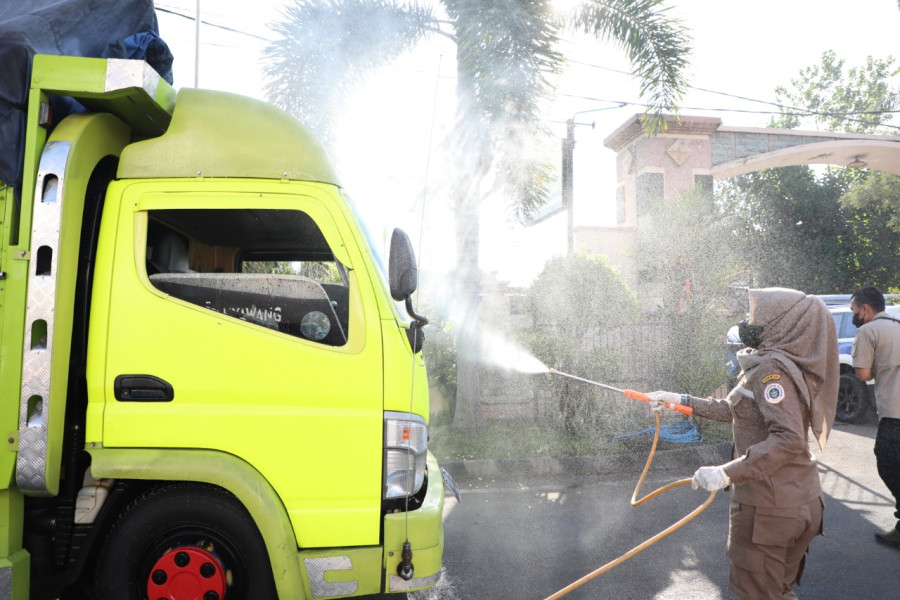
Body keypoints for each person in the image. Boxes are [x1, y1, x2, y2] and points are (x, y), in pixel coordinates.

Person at [648, 288, 839, 600]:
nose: (748, 321)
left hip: (769, 509)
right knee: (777, 591)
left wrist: (727, 472)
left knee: (760, 594)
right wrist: (678, 401)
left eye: (756, 315)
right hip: (798, 501)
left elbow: (788, 438)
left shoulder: (770, 370)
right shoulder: (786, 361)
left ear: (780, 323)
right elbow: (737, 410)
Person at [850, 286, 900, 547]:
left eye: (854, 310)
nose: (854, 315)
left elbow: (862, 374)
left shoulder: (868, 331)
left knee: (887, 464)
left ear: (865, 309)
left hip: (894, 413)